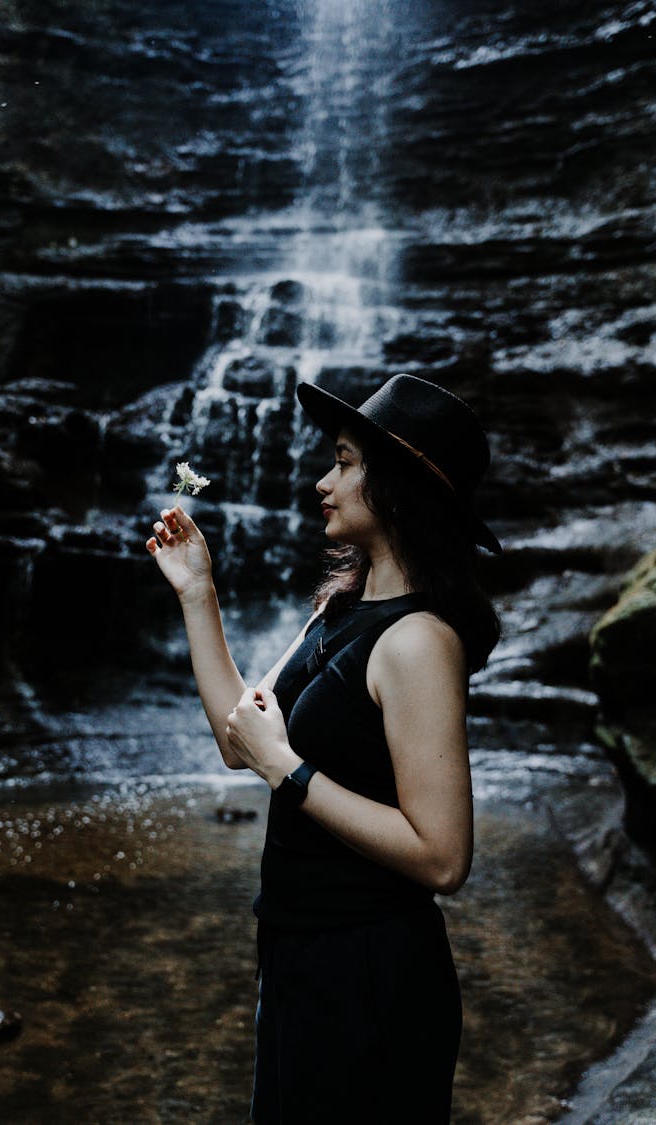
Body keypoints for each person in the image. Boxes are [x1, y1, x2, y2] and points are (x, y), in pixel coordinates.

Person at [145, 373, 501, 1124]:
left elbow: (443, 856)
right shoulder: (338, 610)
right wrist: (197, 592)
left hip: (370, 969)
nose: (322, 479)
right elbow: (239, 739)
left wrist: (290, 768)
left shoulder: (419, 641)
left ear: (399, 484)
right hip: (300, 950)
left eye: (343, 461)